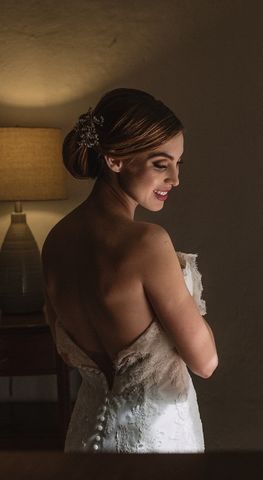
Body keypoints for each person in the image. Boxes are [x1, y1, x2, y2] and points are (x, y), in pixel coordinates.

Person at [42, 88, 218, 453]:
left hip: (84, 440)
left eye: (177, 163)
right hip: (153, 442)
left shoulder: (56, 241)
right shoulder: (147, 243)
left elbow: (63, 347)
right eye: (160, 163)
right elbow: (205, 362)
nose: (175, 179)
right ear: (115, 160)